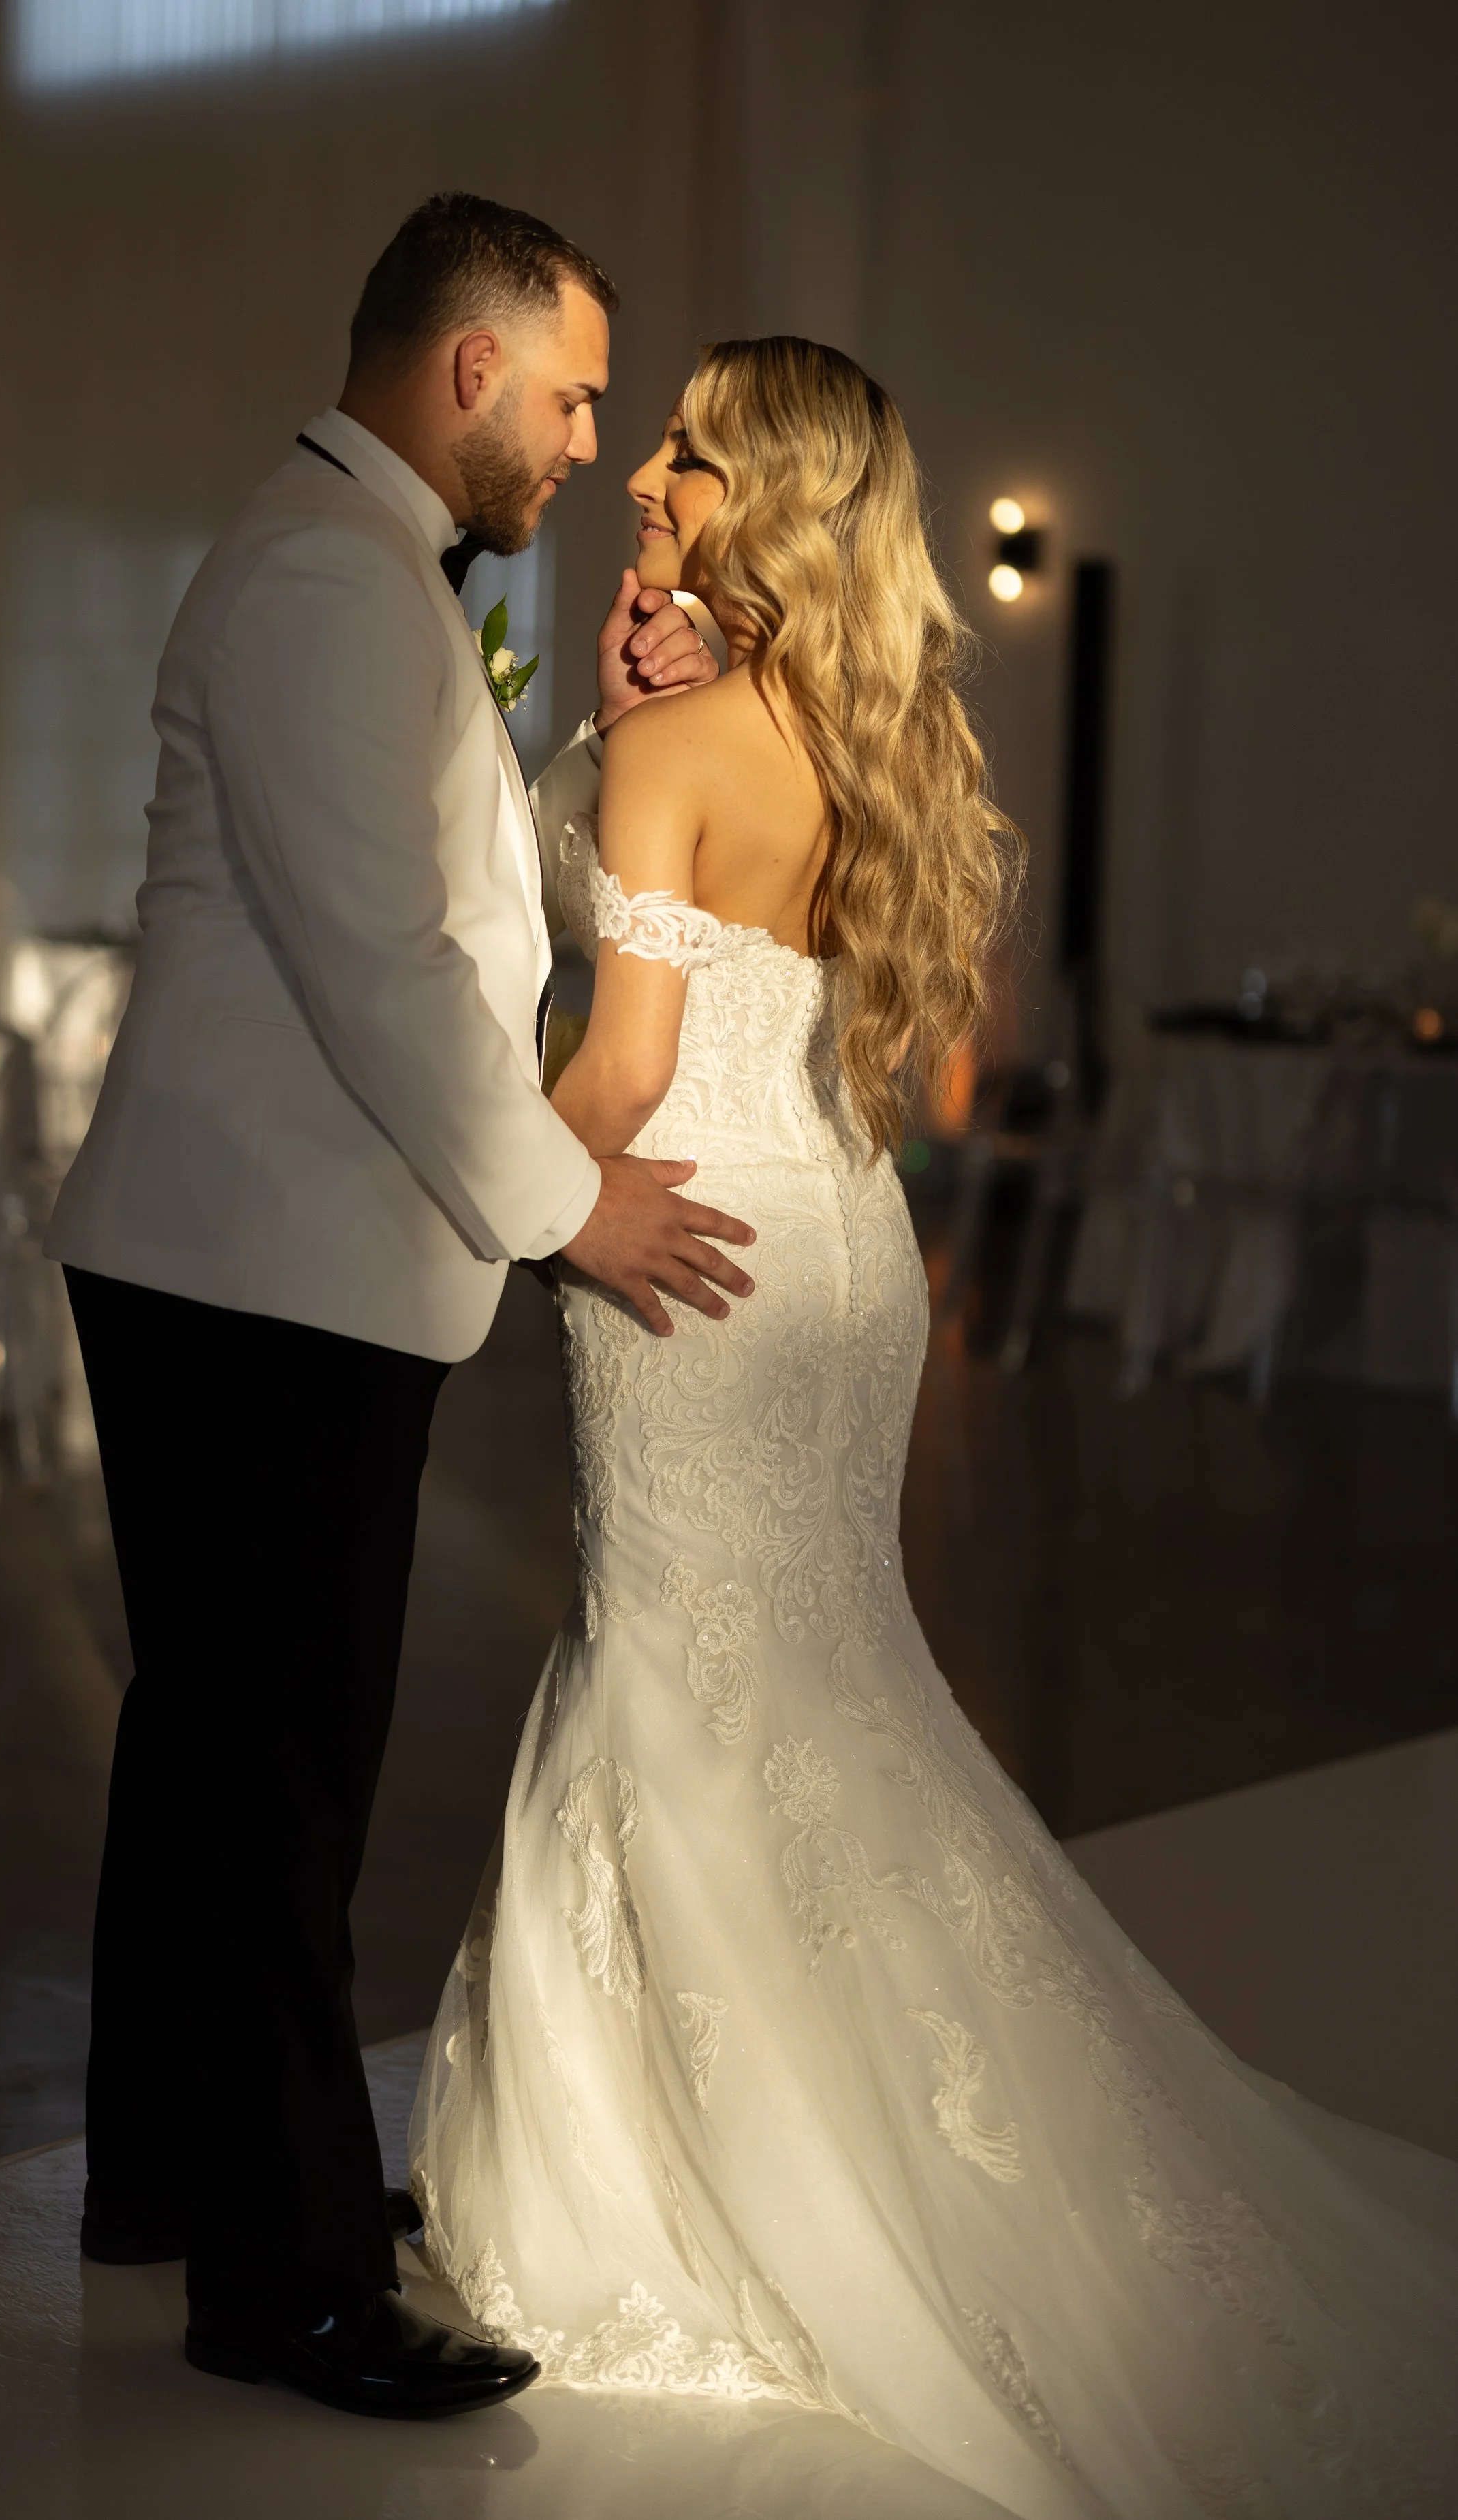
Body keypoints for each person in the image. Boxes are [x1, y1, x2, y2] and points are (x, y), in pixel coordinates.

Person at [411, 339, 1458, 2513]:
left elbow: (611, 1085)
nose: (653, 473)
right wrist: (623, 720)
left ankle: (726, 2182)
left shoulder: (672, 741)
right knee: (816, 1684)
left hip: (679, 1247)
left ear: (750, 501)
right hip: (841, 1248)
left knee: (695, 1690)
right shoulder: (847, 729)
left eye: (688, 447)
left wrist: (465, 1193)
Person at [43, 193, 754, 2421]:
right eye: (565, 398)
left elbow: (430, 882)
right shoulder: (322, 584)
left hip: (242, 1252)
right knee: (273, 1779)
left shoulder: (346, 573)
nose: (581, 446)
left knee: (206, 1748)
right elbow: (387, 974)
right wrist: (569, 1211)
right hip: (262, 1269)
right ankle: (286, 2283)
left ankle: (166, 2173)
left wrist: (577, 748)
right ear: (466, 371)